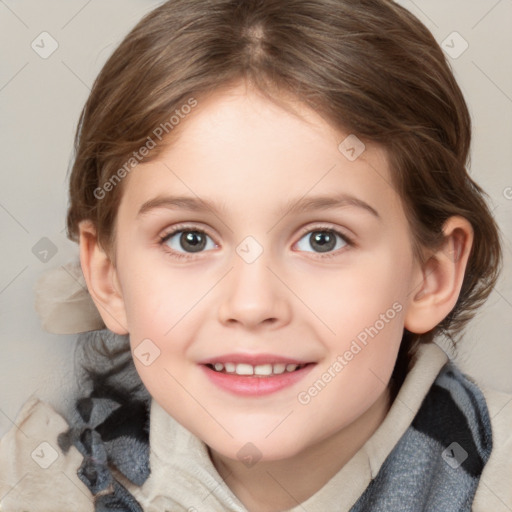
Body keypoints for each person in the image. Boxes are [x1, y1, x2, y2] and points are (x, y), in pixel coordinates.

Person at [1, 0, 510, 510]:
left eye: (323, 239)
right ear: (108, 278)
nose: (251, 304)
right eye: (190, 239)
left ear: (430, 275)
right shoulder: (35, 488)